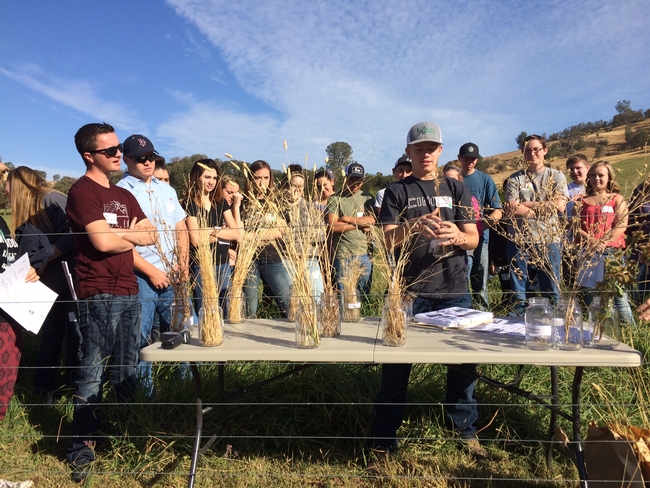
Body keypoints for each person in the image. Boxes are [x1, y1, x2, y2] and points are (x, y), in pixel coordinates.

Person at [371, 122, 482, 459]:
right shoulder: (396, 192)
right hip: (410, 293)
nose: (426, 153)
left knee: (464, 364)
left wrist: (458, 236)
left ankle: (464, 428)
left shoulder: (457, 188)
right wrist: (413, 226)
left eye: (432, 148)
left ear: (441, 151)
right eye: (419, 148)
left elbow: (473, 238)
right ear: (409, 152)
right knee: (395, 366)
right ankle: (384, 437)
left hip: (455, 289)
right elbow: (386, 241)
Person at [65, 123, 156, 480]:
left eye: (118, 148)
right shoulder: (81, 192)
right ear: (89, 156)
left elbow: (150, 234)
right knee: (92, 372)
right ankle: (82, 447)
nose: (119, 154)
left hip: (130, 289)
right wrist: (126, 236)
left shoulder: (124, 195)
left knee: (127, 367)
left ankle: (127, 434)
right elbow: (101, 245)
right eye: (110, 151)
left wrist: (115, 233)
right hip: (97, 292)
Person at [116, 134, 189, 393]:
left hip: (175, 274)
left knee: (184, 331)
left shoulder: (166, 189)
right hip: (141, 277)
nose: (148, 163)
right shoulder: (120, 193)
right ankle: (144, 393)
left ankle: (188, 387)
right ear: (126, 159)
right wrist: (151, 271)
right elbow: (120, 242)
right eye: (140, 159)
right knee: (142, 338)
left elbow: (181, 227)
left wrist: (183, 262)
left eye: (151, 158)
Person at [5, 166, 79, 399]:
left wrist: (46, 260)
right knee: (50, 337)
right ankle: (43, 391)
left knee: (76, 335)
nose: (4, 189)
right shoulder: (27, 210)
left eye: (6, 184)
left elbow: (73, 235)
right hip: (46, 286)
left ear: (19, 184)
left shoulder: (52, 199)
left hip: (69, 281)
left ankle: (76, 391)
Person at [505, 134, 569, 315]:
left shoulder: (556, 176)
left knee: (551, 287)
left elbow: (559, 206)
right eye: (527, 150)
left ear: (545, 151)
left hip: (549, 239)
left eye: (536, 149)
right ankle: (516, 323)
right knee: (519, 290)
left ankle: (555, 322)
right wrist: (543, 208)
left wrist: (528, 206)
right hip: (520, 239)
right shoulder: (515, 179)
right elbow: (511, 208)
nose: (532, 153)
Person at [572, 161, 635, 325]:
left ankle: (631, 335)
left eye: (601, 175)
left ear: (609, 177)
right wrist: (591, 240)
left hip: (612, 254)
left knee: (618, 297)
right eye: (593, 175)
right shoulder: (581, 202)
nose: (596, 179)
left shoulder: (617, 199)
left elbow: (621, 225)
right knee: (590, 296)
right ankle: (597, 331)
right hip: (587, 253)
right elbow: (573, 227)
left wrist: (604, 242)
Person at [185, 160, 242, 314]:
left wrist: (211, 231)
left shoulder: (220, 202)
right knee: (206, 310)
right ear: (197, 177)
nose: (211, 182)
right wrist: (221, 232)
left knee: (224, 309)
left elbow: (236, 233)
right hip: (202, 265)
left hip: (223, 264)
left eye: (214, 178)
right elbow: (196, 239)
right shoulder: (189, 203)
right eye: (207, 177)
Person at [242, 160, 291, 317]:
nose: (261, 182)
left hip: (273, 259)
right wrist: (262, 235)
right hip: (249, 260)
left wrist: (254, 236)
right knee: (249, 308)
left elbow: (280, 230)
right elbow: (238, 231)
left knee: (289, 304)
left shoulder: (277, 201)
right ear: (250, 179)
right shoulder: (243, 201)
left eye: (265, 177)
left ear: (270, 179)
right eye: (257, 178)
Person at [457, 143, 503, 308]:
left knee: (481, 281)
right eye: (466, 158)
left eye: (473, 158)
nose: (469, 162)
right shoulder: (453, 180)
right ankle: (461, 311)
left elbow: (498, 211)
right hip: (457, 238)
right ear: (459, 159)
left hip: (481, 238)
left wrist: (480, 227)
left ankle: (482, 313)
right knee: (459, 280)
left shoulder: (485, 180)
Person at [325, 162, 375, 297]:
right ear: (346, 178)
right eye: (353, 179)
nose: (356, 184)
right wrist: (360, 224)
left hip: (364, 254)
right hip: (343, 255)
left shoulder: (367, 198)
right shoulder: (335, 199)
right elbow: (333, 226)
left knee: (363, 296)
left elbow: (373, 220)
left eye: (359, 180)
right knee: (345, 297)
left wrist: (346, 218)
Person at [279, 165, 325, 299]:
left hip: (310, 259)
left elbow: (321, 234)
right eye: (294, 185)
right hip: (287, 260)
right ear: (286, 185)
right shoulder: (278, 208)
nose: (298, 189)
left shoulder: (311, 208)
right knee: (293, 299)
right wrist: (306, 234)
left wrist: (297, 234)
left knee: (317, 295)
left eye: (301, 186)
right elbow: (280, 236)